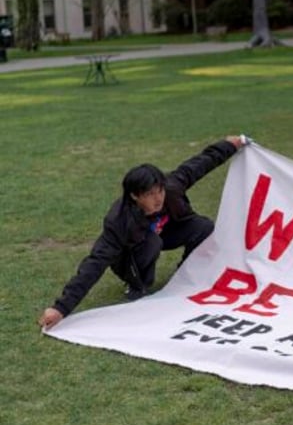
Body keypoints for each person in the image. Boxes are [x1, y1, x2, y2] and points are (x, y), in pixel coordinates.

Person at [38, 135, 249, 330]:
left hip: (164, 233)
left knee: (203, 226)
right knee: (152, 243)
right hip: (132, 252)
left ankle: (187, 273)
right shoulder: (119, 221)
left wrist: (232, 143)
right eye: (150, 195)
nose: (158, 199)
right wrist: (61, 308)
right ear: (135, 196)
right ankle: (137, 284)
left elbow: (200, 163)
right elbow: (95, 263)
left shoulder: (171, 188)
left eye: (160, 192)